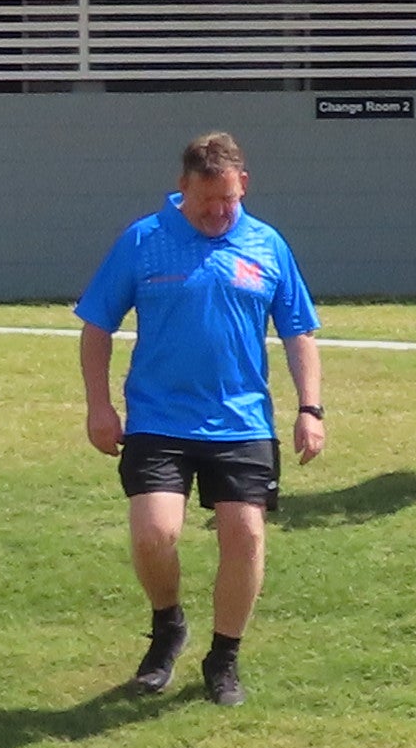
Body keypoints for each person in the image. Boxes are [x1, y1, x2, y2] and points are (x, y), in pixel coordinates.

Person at [75, 131, 325, 708]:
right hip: (158, 419)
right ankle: (168, 624)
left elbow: (299, 333)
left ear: (245, 186)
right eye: (205, 200)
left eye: (228, 200)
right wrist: (98, 405)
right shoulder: (145, 240)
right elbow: (96, 326)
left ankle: (224, 657)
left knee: (246, 535)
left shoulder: (267, 244)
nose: (217, 212)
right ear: (182, 186)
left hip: (242, 422)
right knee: (155, 534)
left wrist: (310, 409)